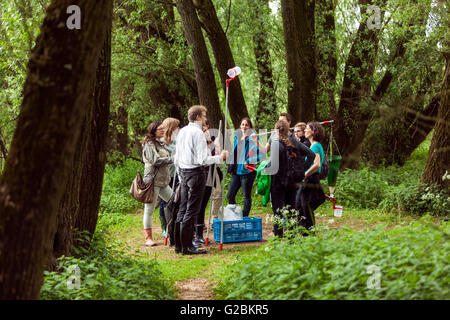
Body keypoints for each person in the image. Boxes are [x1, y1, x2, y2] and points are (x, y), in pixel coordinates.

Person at [174, 105, 228, 255]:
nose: (205, 119)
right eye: (204, 116)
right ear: (198, 117)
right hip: (195, 173)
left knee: (183, 209)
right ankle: (187, 247)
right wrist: (220, 157)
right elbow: (202, 159)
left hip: (183, 173)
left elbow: (176, 158)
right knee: (191, 210)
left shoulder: (182, 131)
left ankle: (179, 245)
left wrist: (180, 176)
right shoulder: (197, 133)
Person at [141, 121, 173, 247]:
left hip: (163, 182)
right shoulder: (149, 145)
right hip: (152, 181)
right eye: (160, 129)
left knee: (174, 202)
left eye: (163, 128)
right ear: (154, 130)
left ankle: (171, 231)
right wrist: (172, 159)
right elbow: (155, 160)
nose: (163, 130)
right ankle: (148, 238)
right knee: (149, 209)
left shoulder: (161, 144)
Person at [194, 119, 223, 246]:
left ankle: (200, 233)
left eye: (205, 126)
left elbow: (217, 158)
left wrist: (216, 146)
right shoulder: (195, 139)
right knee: (197, 205)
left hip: (209, 175)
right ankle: (195, 232)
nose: (203, 129)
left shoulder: (211, 139)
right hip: (198, 175)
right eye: (201, 127)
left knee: (203, 205)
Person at [227, 117, 262, 218]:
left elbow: (260, 155)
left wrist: (249, 161)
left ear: (250, 127)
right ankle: (234, 216)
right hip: (236, 171)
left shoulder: (253, 139)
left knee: (246, 196)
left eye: (246, 125)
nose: (244, 127)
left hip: (247, 172)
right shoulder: (237, 138)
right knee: (230, 195)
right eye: (242, 124)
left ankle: (245, 218)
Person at [295, 122, 326, 235]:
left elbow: (317, 164)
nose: (305, 130)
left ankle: (309, 233)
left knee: (305, 207)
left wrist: (305, 174)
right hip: (308, 179)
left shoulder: (316, 146)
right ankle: (304, 232)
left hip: (311, 179)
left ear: (313, 131)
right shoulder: (313, 145)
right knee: (300, 206)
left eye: (307, 128)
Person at [159, 117, 180, 243]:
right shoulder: (161, 142)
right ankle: (164, 227)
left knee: (175, 199)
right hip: (166, 175)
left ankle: (173, 224)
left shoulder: (178, 140)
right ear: (171, 128)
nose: (178, 129)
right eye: (176, 127)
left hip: (176, 173)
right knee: (164, 201)